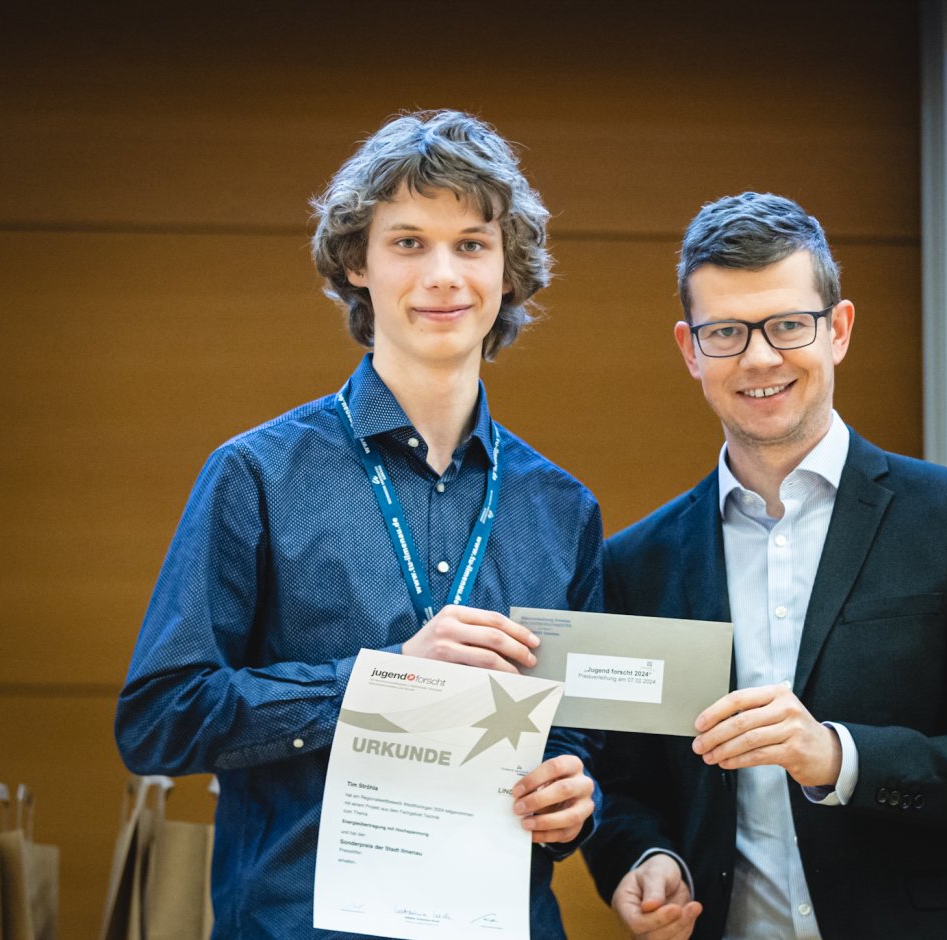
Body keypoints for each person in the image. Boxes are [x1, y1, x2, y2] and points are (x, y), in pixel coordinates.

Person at [115, 110, 602, 939]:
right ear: (356, 264)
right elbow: (160, 719)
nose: (443, 275)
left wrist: (577, 799)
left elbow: (582, 739)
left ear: (510, 272)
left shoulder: (561, 508)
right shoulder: (258, 475)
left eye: (472, 244)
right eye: (408, 242)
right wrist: (382, 682)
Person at [581, 192, 947, 939]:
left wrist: (838, 756)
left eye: (786, 325)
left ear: (836, 329)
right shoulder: (636, 562)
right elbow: (621, 778)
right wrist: (642, 855)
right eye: (726, 333)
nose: (760, 358)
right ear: (690, 350)